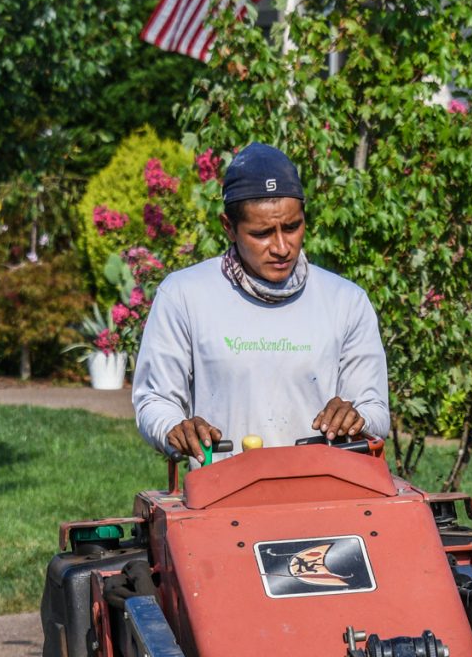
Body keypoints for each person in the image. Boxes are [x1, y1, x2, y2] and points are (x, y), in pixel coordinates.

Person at [132, 143, 391, 458]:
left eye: (292, 227)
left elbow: (375, 410)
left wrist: (357, 417)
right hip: (221, 486)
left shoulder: (346, 301)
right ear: (229, 227)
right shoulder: (184, 295)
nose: (282, 247)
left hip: (322, 486)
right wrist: (175, 427)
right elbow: (155, 400)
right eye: (262, 233)